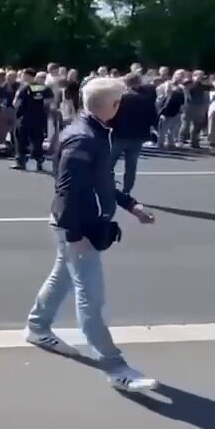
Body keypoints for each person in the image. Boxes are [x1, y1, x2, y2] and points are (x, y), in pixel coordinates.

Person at [24, 76, 158, 392]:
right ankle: (115, 366)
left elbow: (100, 181)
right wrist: (75, 234)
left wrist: (131, 205)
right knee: (91, 298)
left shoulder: (91, 131)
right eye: (119, 103)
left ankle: (37, 325)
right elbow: (68, 191)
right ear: (111, 107)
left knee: (63, 277)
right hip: (79, 228)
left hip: (77, 225)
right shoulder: (84, 139)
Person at [12, 68, 51, 171]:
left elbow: (16, 103)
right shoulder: (44, 88)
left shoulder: (24, 88)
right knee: (37, 141)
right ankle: (37, 161)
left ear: (28, 76)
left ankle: (21, 161)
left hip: (24, 118)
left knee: (21, 140)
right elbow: (49, 102)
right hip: (39, 118)